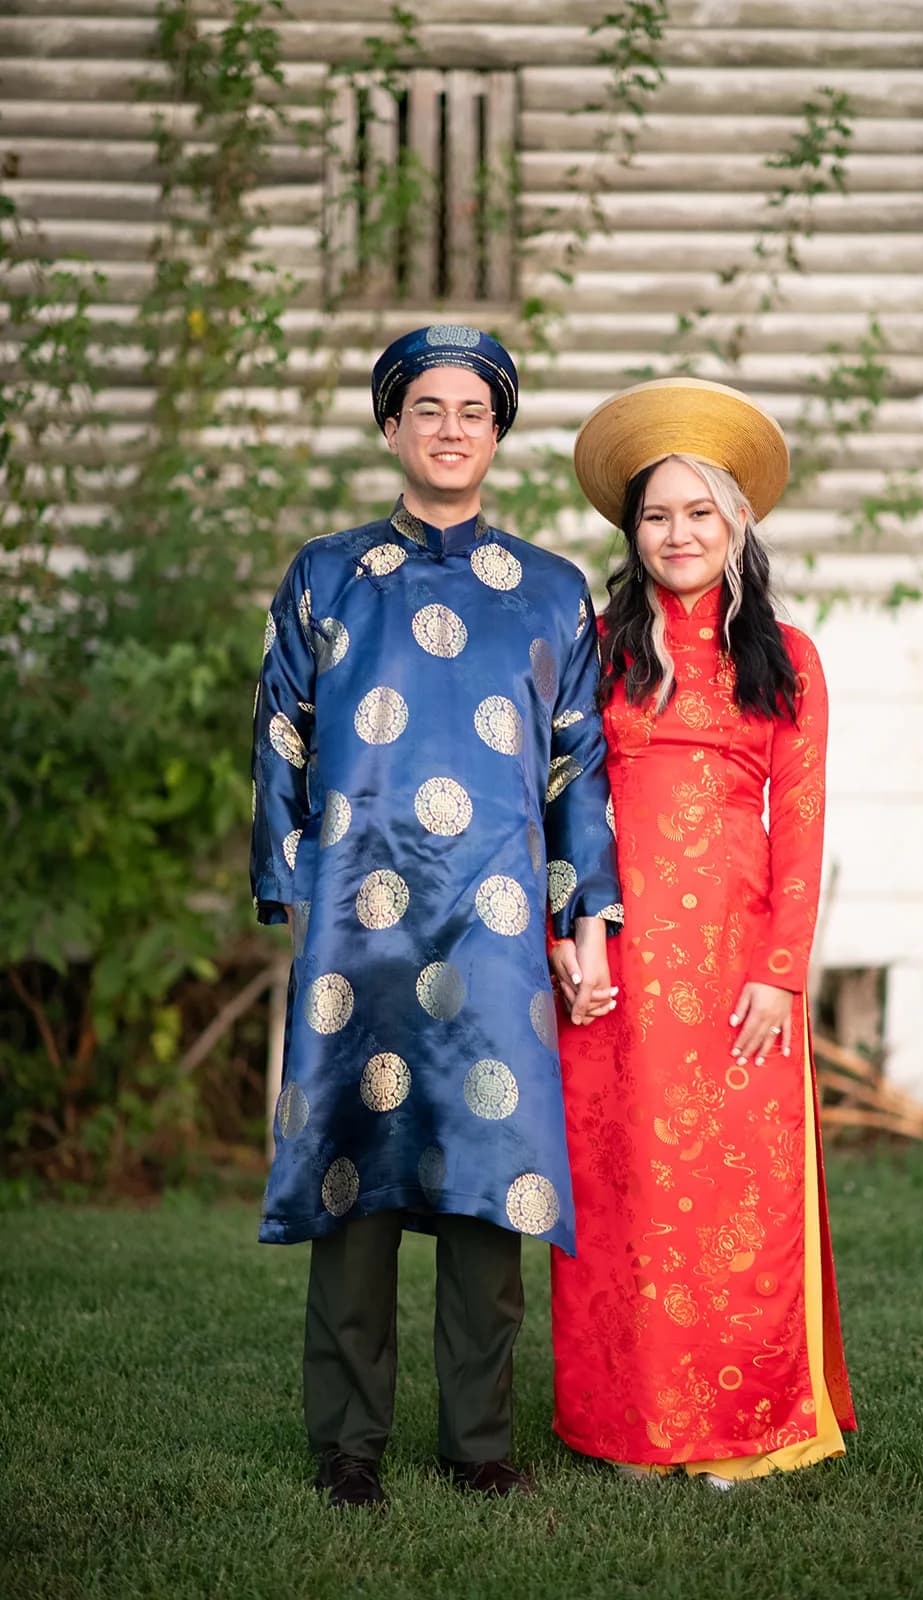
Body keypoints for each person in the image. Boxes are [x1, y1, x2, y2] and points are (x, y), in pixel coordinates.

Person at [250, 325, 621, 1509]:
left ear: (497, 432)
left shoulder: (555, 595)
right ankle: (346, 1442)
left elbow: (580, 775)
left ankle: (477, 1442)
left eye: (473, 409)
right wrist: (298, 880)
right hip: (358, 927)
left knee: (492, 1174)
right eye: (427, 408)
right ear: (391, 426)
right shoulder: (323, 576)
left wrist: (583, 919)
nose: (450, 427)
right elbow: (279, 742)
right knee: (352, 1184)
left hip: (498, 931)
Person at [549, 377, 856, 1486]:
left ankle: (743, 1423)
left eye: (697, 511)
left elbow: (802, 831)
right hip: (616, 963)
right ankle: (627, 1424)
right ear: (631, 531)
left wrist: (781, 972)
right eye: (654, 514)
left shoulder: (786, 659)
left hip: (734, 969)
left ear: (736, 522)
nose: (676, 533)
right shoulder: (590, 649)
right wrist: (565, 936)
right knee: (620, 1185)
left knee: (736, 1193)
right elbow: (551, 802)